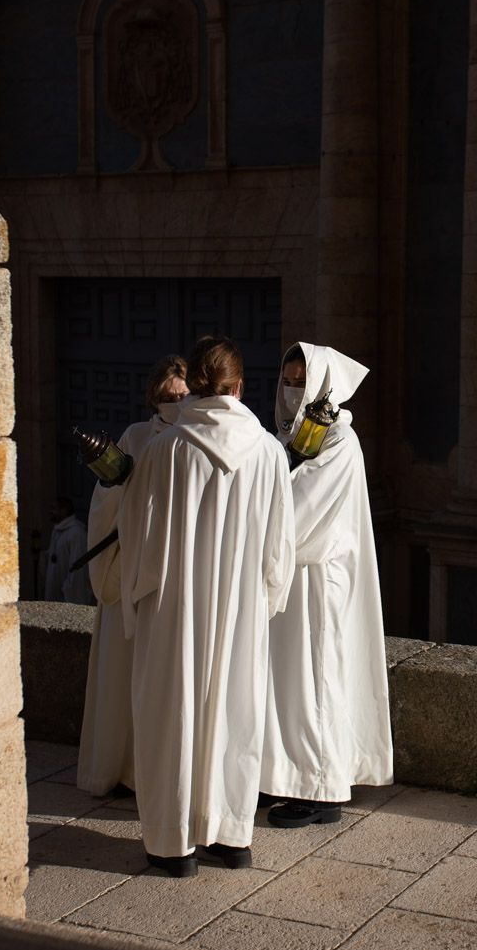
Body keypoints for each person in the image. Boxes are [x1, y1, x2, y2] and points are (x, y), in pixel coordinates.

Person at [116, 336, 296, 876]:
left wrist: (138, 596)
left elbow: (139, 538)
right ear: (240, 387)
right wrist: (266, 597)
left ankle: (173, 847)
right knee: (234, 713)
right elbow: (279, 543)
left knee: (173, 712)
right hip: (239, 607)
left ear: (194, 385)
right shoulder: (267, 450)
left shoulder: (165, 449)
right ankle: (231, 837)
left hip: (175, 608)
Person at [261, 343, 393, 827]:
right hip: (288, 575)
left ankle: (322, 788)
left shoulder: (340, 441)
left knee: (316, 676)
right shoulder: (286, 437)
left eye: (303, 382)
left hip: (317, 577)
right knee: (287, 678)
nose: (293, 391)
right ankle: (284, 775)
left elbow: (304, 509)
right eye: (288, 381)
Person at [77, 355, 188, 796]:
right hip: (129, 568)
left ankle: (153, 771)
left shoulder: (198, 438)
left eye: (180, 395)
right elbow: (110, 496)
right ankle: (120, 768)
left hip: (172, 572)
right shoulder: (137, 436)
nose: (173, 403)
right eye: (165, 397)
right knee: (123, 675)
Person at [42, 497, 93, 604]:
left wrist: (68, 592)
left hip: (67, 596)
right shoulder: (57, 531)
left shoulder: (76, 533)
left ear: (64, 510)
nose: (50, 512)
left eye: (53, 508)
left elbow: (78, 568)